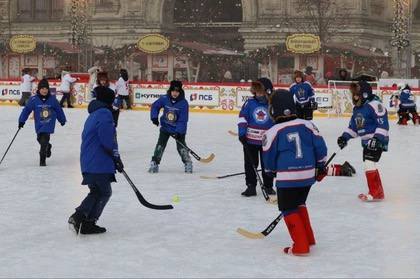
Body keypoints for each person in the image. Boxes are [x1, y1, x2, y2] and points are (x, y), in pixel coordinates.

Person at [262, 89, 327, 256]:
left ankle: (300, 246)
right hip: (307, 177)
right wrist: (320, 166)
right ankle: (309, 238)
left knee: (288, 208)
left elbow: (268, 158)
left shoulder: (273, 131)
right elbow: (320, 147)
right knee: (299, 204)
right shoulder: (308, 125)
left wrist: (269, 172)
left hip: (287, 178)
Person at [68, 86, 124, 235]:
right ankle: (80, 216)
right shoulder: (105, 114)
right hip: (98, 162)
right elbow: (107, 140)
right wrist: (116, 158)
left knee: (98, 191)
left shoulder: (94, 113)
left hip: (90, 161)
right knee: (103, 191)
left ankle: (87, 223)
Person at [337, 81, 389, 201]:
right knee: (369, 165)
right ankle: (378, 192)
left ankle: (375, 193)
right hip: (366, 142)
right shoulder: (357, 109)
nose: (355, 97)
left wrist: (376, 139)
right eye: (354, 95)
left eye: (357, 94)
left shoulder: (375, 105)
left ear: (364, 94)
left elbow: (383, 125)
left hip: (377, 139)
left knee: (369, 164)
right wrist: (344, 137)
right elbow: (354, 128)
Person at [238, 78, 275, 197]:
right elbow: (243, 118)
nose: (258, 94)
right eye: (256, 92)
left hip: (267, 141)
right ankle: (251, 186)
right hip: (250, 140)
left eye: (261, 92)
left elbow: (277, 121)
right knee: (250, 164)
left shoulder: (272, 104)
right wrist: (242, 133)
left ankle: (268, 186)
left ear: (267, 92)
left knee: (267, 164)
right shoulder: (249, 103)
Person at [18, 79, 66, 166]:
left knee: (43, 142)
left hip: (48, 124)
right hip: (39, 125)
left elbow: (59, 110)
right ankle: (48, 146)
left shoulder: (53, 100)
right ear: (39, 89)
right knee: (39, 139)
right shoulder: (34, 100)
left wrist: (62, 120)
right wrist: (21, 121)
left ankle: (42, 162)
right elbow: (26, 110)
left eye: (46, 88)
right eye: (42, 88)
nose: (44, 90)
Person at [148, 80, 192, 173]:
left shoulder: (184, 103)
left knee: (181, 147)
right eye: (173, 91)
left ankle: (188, 162)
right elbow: (155, 106)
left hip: (178, 130)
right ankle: (155, 162)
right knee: (160, 145)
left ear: (180, 92)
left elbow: (183, 120)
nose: (175, 93)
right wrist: (154, 117)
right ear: (170, 90)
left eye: (177, 91)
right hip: (165, 127)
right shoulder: (164, 98)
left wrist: (178, 131)